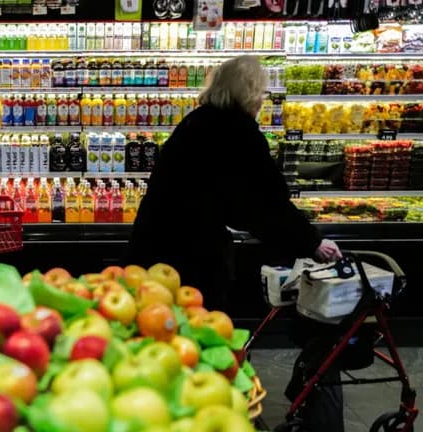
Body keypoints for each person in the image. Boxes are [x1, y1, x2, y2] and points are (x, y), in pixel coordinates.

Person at [125, 55, 343, 431]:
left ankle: (157, 404)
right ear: (249, 92)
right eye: (260, 90)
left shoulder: (196, 121)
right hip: (191, 252)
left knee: (157, 326)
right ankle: (205, 407)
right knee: (202, 330)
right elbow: (265, 203)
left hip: (153, 243)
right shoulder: (238, 132)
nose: (263, 98)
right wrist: (311, 242)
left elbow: (238, 201)